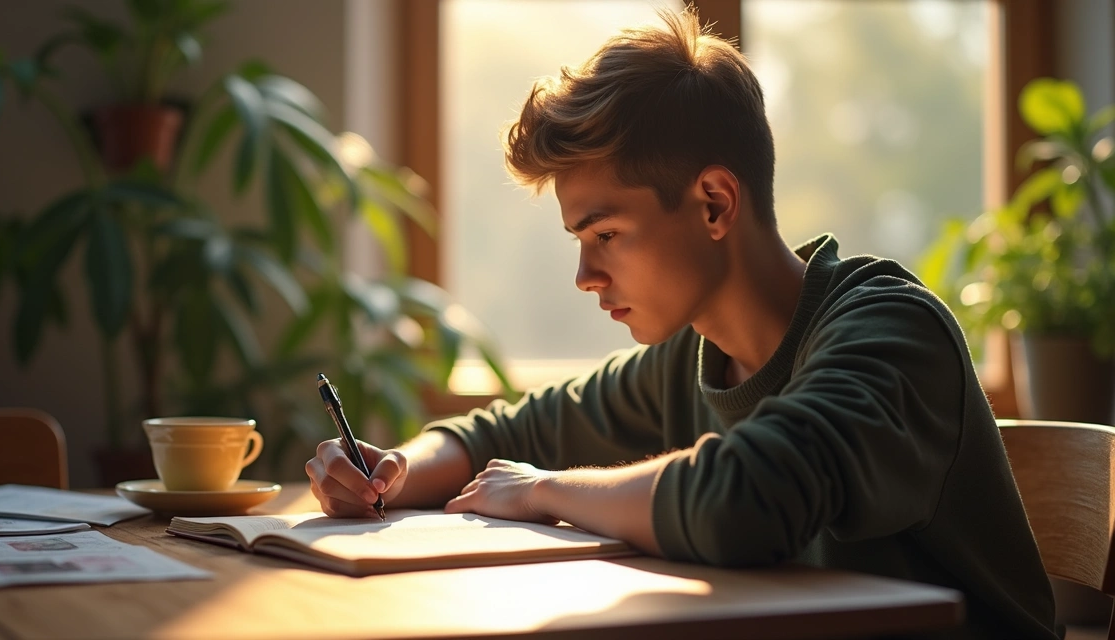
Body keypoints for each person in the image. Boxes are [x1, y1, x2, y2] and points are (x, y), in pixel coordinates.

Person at [306, 7, 1057, 638]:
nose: (585, 276)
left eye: (604, 236)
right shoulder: (692, 356)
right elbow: (503, 435)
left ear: (714, 204)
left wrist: (542, 491)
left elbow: (742, 499)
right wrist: (396, 471)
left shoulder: (892, 332)